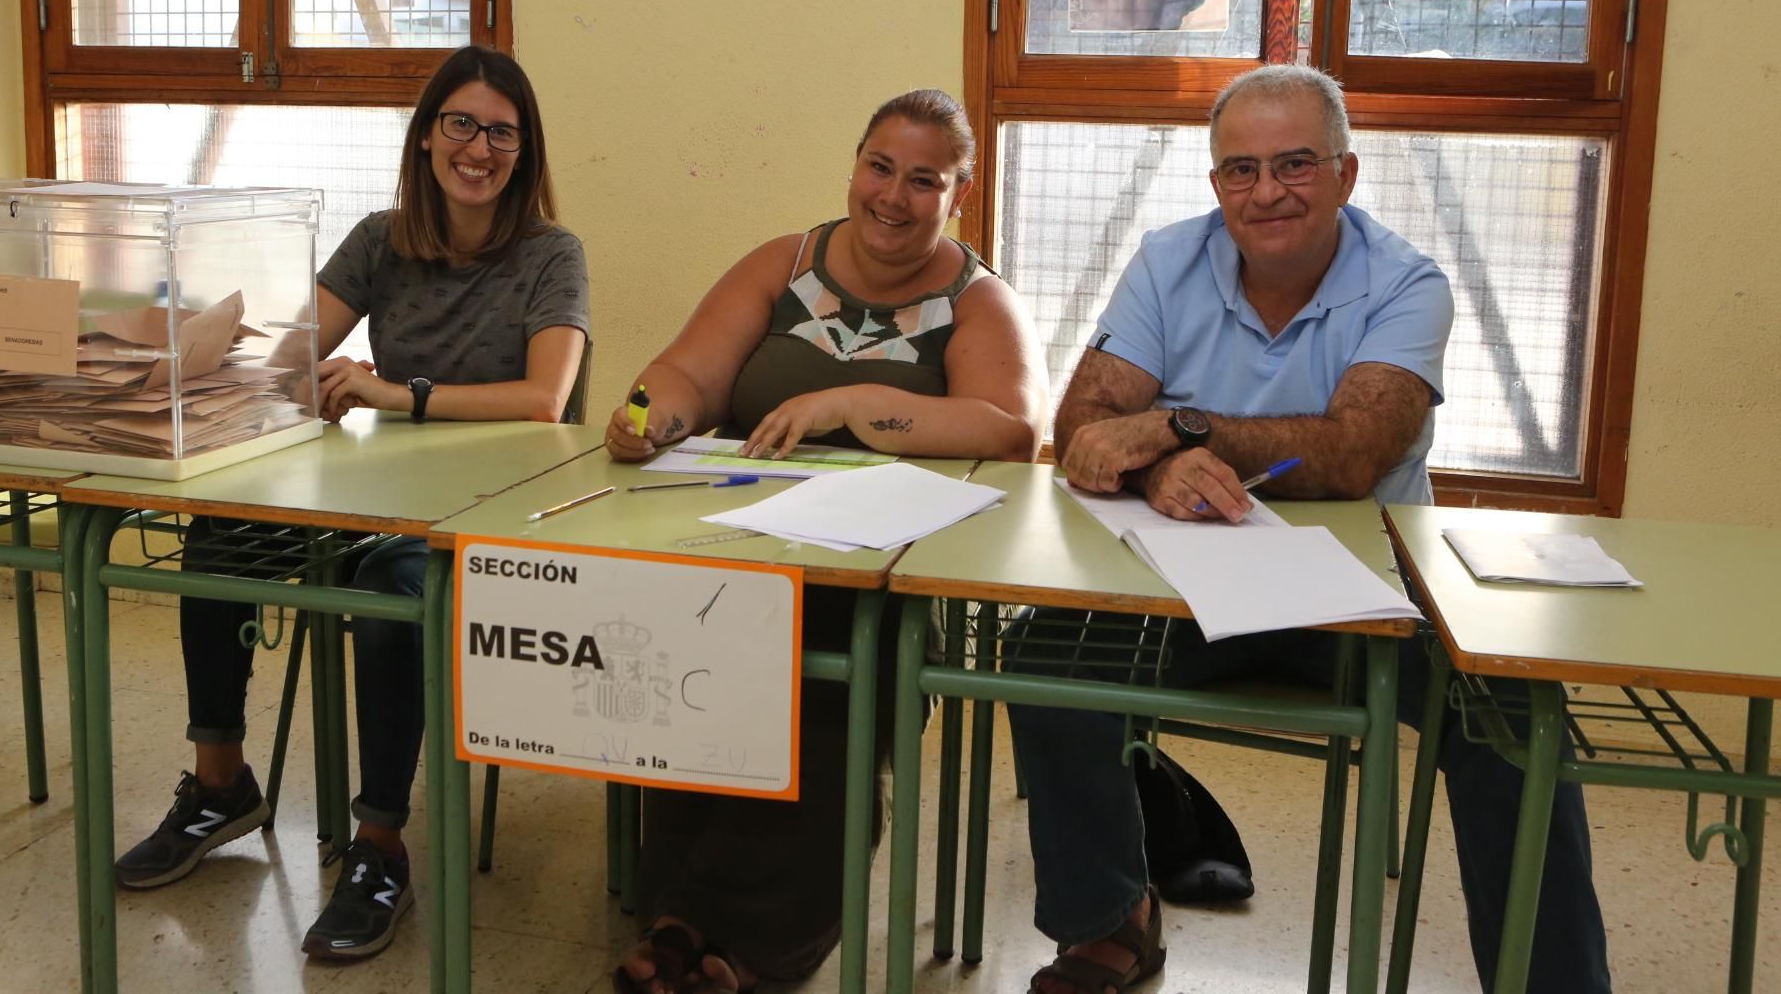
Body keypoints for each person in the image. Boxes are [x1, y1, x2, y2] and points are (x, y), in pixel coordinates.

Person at [1008, 64, 1610, 993]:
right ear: (1216, 187)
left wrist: (1179, 425)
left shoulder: (1408, 283)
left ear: (1345, 175)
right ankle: (1108, 924)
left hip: (1366, 597)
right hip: (1187, 587)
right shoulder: (1170, 260)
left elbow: (1353, 455)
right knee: (1043, 655)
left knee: (1514, 720)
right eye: (1240, 170)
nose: (1267, 192)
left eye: (1294, 164)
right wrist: (1164, 462)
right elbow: (1083, 430)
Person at [112, 45, 590, 962]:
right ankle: (221, 784)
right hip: (368, 496)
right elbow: (295, 358)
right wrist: (207, 347)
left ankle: (378, 846)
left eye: (502, 132)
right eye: (461, 124)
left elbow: (546, 400)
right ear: (425, 138)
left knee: (386, 608)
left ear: (524, 153)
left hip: (484, 509)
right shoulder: (381, 238)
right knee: (219, 543)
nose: (479, 148)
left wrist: (396, 392)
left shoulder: (550, 255)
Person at [602, 88, 1047, 993]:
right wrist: (651, 419)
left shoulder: (977, 299)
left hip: (884, 588)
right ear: (854, 166)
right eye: (879, 167)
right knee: (694, 664)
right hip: (746, 552)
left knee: (820, 694)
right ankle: (685, 921)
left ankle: (743, 944)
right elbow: (686, 373)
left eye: (924, 180)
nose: (892, 195)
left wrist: (848, 403)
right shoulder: (784, 263)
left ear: (956, 194)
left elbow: (1009, 431)